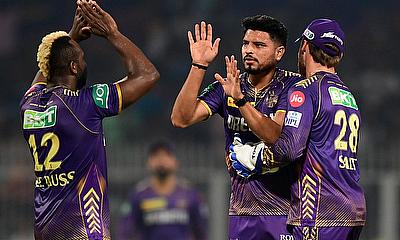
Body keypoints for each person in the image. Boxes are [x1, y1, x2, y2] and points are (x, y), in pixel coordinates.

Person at [19, 0, 159, 239]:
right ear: (74, 68)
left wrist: (70, 37)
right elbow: (148, 74)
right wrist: (112, 33)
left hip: (45, 228)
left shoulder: (29, 105)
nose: (85, 63)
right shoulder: (86, 104)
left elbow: (43, 74)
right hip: (84, 229)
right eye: (82, 58)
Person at [229, 19, 366, 239]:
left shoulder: (305, 90)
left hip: (318, 211)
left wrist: (254, 157)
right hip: (353, 208)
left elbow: (289, 149)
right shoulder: (347, 96)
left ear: (304, 46)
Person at [171, 15, 303, 239]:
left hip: (285, 212)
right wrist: (199, 65)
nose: (249, 50)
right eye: (246, 44)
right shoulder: (229, 86)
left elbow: (275, 136)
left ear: (279, 53)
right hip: (241, 213)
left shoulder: (292, 86)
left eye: (259, 45)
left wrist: (241, 101)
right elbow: (181, 118)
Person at [117, 141, 208, 240]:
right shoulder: (138, 196)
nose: (161, 160)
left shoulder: (190, 195)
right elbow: (125, 232)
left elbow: (202, 232)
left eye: (166, 155)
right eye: (156, 156)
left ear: (175, 162)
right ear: (148, 162)